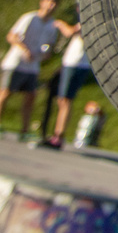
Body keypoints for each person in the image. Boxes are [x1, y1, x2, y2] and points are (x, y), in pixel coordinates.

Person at [0, 0, 62, 139]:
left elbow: (50, 44)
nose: (51, 6)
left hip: (33, 65)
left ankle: (24, 130)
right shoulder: (30, 18)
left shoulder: (52, 25)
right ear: (42, 2)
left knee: (31, 96)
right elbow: (12, 36)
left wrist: (46, 53)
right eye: (49, 2)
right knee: (5, 92)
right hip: (16, 62)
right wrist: (24, 49)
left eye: (55, 3)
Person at [45, 12, 90, 149]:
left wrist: (60, 24)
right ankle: (58, 133)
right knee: (63, 100)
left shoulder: (85, 22)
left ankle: (59, 135)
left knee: (65, 100)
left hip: (74, 63)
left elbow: (69, 32)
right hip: (78, 64)